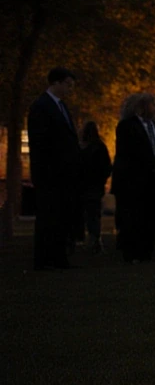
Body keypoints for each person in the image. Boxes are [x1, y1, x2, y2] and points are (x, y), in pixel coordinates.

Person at [26, 67, 81, 270]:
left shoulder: (60, 106)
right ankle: (45, 259)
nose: (70, 89)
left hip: (63, 173)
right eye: (67, 84)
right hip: (51, 173)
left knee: (60, 217)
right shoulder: (42, 107)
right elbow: (40, 142)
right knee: (49, 217)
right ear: (55, 83)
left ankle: (58, 257)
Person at [112, 93, 155, 263]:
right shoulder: (127, 126)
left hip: (154, 179)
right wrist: (152, 163)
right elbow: (130, 152)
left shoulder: (154, 126)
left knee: (151, 216)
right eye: (153, 104)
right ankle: (132, 252)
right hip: (135, 179)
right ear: (142, 107)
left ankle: (146, 251)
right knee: (134, 216)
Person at [77, 121, 111, 254]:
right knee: (94, 214)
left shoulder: (81, 148)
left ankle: (87, 238)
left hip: (85, 185)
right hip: (94, 186)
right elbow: (106, 166)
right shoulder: (99, 147)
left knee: (85, 213)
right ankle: (94, 238)